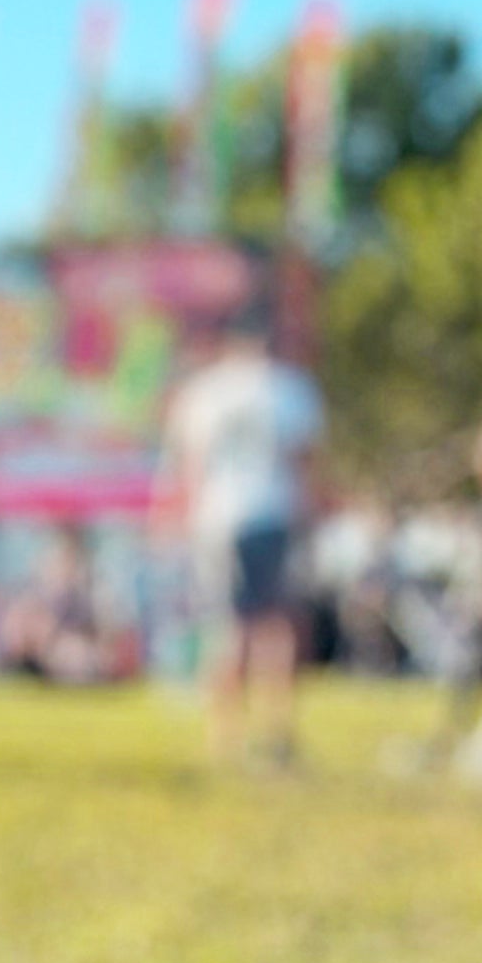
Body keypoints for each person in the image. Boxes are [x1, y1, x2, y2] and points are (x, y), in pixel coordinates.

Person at [159, 306, 325, 765]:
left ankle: (224, 738)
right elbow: (302, 463)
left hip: (217, 521)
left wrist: (177, 520)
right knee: (276, 626)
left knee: (227, 627)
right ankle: (276, 734)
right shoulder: (289, 388)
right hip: (272, 515)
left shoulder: (203, 392)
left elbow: (188, 468)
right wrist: (310, 518)